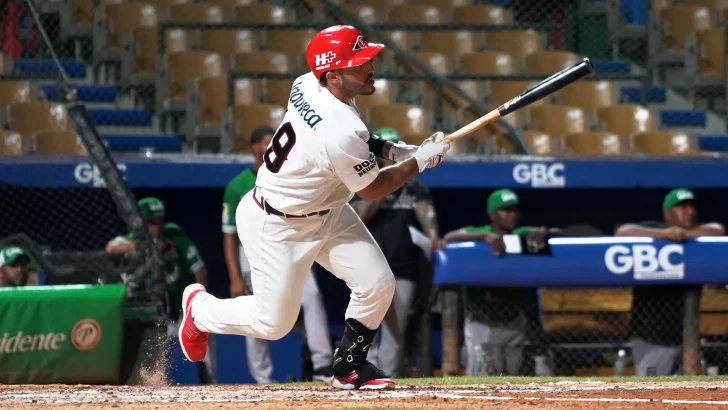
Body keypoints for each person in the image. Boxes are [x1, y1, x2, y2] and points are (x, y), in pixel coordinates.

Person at [178, 25, 451, 391]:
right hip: (277, 224)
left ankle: (348, 366)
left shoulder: (308, 82)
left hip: (326, 210)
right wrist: (419, 162)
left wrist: (395, 150)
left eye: (367, 57)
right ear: (333, 75)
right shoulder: (337, 130)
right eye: (360, 62)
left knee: (377, 283)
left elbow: (362, 138)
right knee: (274, 324)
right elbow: (374, 189)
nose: (371, 65)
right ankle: (199, 309)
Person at [223, 125, 334, 383]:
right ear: (252, 147)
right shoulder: (237, 186)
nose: (267, 146)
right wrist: (234, 277)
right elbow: (228, 235)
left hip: (291, 245)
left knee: (313, 295)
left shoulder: (289, 175)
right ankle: (263, 378)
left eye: (271, 142)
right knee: (258, 309)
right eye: (262, 142)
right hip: (253, 251)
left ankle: (322, 365)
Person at [351, 127, 442, 378]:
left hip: (403, 267)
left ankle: (384, 377)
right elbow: (361, 213)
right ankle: (357, 372)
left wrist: (433, 235)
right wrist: (385, 185)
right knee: (365, 324)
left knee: (394, 331)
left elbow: (427, 215)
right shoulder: (363, 182)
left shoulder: (414, 187)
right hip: (368, 267)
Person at [443, 189, 556, 376]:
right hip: (481, 322)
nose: (513, 214)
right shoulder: (480, 232)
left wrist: (544, 232)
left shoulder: (522, 233)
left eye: (514, 210)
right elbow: (450, 237)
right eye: (506, 210)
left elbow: (558, 232)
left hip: (513, 322)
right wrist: (484, 238)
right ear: (493, 215)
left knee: (511, 380)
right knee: (481, 383)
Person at [615, 188, 724, 376]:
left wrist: (682, 235)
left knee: (685, 396)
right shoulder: (652, 230)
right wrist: (666, 235)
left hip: (687, 337)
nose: (690, 211)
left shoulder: (699, 239)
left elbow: (718, 230)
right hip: (652, 337)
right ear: (667, 213)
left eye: (692, 207)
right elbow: (622, 232)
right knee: (653, 393)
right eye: (682, 207)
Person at [106, 197, 217, 384]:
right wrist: (145, 246)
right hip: (159, 314)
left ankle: (209, 382)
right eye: (151, 222)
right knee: (156, 351)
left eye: (159, 221)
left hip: (182, 308)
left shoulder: (174, 235)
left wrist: (200, 302)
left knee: (207, 330)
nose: (156, 226)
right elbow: (111, 247)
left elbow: (199, 270)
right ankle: (158, 385)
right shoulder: (135, 240)